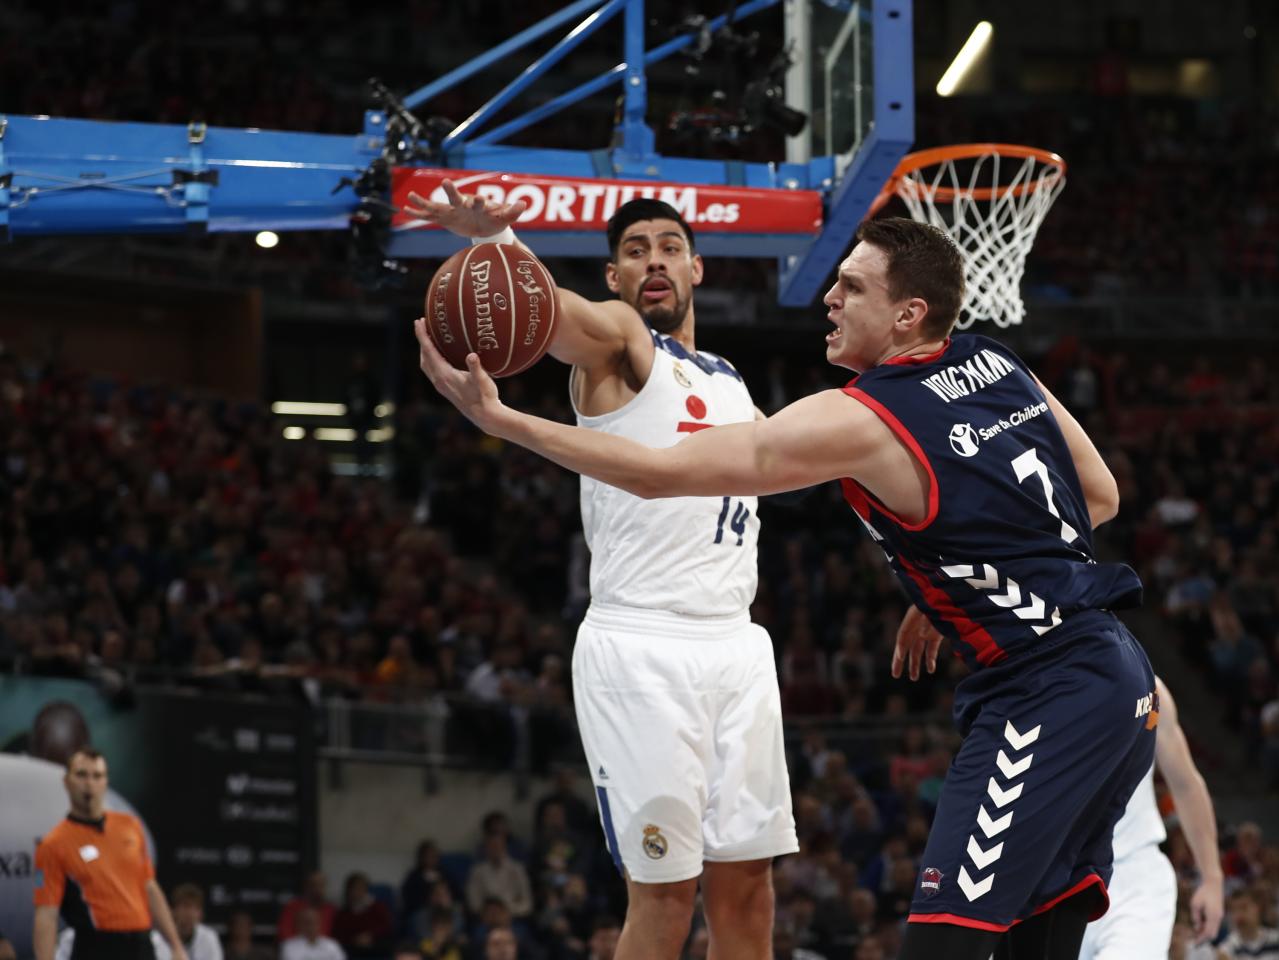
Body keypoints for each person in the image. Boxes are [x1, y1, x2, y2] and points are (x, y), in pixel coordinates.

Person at [415, 216, 1153, 960]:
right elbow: (1099, 495)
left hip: (1042, 688)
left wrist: (502, 420)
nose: (829, 298)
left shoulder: (859, 415)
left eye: (851, 287)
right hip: (1118, 676)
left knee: (936, 942)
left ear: (907, 313)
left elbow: (659, 473)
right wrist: (959, 583)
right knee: (1036, 938)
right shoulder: (997, 362)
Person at [403, 184, 795, 960]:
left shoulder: (731, 381)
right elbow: (557, 318)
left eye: (671, 247)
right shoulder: (623, 342)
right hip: (643, 648)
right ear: (616, 276)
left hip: (738, 646)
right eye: (636, 251)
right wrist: (500, 247)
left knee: (749, 897)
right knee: (666, 901)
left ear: (698, 268)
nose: (656, 261)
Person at [1079, 678, 1223, 960]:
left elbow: (1185, 785)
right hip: (1052, 882)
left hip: (1135, 875)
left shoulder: (1147, 688)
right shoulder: (1027, 685)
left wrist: (1212, 877)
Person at [32, 747, 188, 960]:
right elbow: (46, 914)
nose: (89, 783)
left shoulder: (130, 826)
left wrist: (176, 945)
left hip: (141, 945)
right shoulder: (53, 844)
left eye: (97, 776)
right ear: (66, 781)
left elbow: (149, 887)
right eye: (81, 775)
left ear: (106, 782)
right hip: (96, 946)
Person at [1214, 890, 1279, 960]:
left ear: (1257, 908)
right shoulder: (1226, 950)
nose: (1239, 915)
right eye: (1233, 910)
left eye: (1243, 908)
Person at [150, 887, 219, 960]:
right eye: (186, 906)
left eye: (196, 908)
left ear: (201, 913)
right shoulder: (157, 939)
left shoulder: (209, 937)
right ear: (174, 910)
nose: (191, 913)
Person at [280, 911, 344, 960]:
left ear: (320, 924)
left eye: (314, 922)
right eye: (306, 923)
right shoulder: (288, 946)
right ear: (298, 924)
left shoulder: (332, 945)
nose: (310, 926)